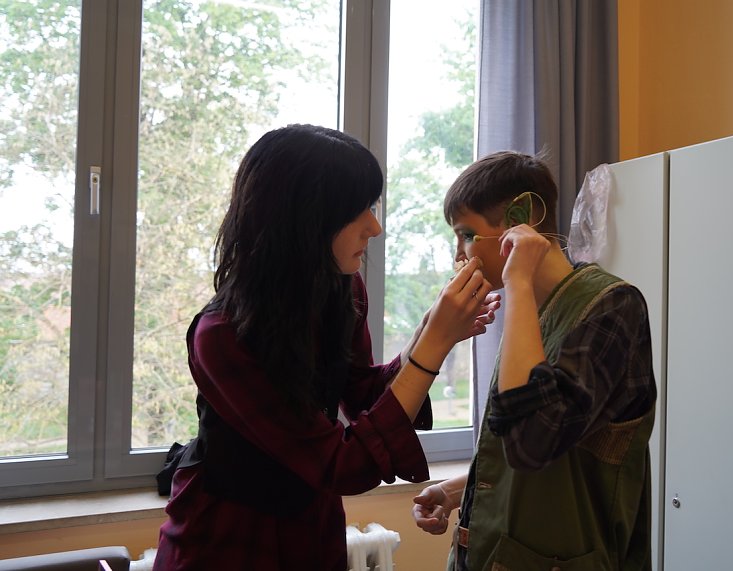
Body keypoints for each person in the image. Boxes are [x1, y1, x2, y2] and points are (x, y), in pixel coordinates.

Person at [152, 124, 501, 570]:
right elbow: (344, 463)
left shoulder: (343, 290)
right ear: (305, 220)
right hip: (227, 539)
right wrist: (434, 342)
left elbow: (363, 397)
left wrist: (435, 329)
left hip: (312, 531)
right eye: (359, 211)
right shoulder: (221, 334)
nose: (374, 226)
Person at [412, 151, 657, 570]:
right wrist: (456, 490)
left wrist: (518, 281)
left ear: (520, 218)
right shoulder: (533, 314)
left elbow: (533, 443)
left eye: (467, 234)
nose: (460, 255)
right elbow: (540, 455)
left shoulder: (613, 307)